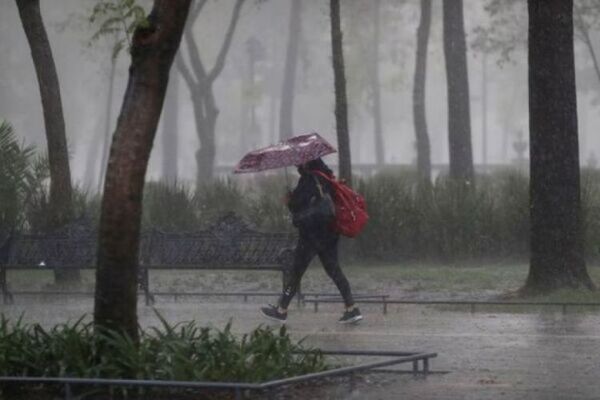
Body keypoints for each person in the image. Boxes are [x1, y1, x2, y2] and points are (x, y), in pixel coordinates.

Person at [261, 157, 363, 324]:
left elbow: (297, 205)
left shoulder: (309, 179)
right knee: (334, 270)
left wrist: (289, 199)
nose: (296, 166)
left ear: (306, 163)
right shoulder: (326, 177)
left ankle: (281, 310)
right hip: (329, 233)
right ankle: (352, 308)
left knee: (296, 272)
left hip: (311, 234)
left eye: (299, 163)